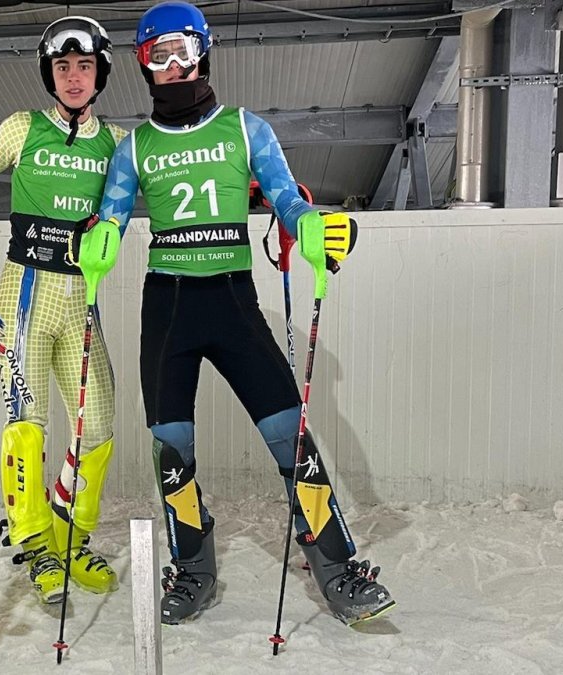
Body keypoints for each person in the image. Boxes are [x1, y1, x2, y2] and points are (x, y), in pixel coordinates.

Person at [78, 1, 394, 626]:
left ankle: (337, 568)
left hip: (232, 300)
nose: (171, 66)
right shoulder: (133, 147)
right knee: (172, 450)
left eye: (181, 51)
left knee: (289, 437)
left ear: (203, 52)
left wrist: (311, 226)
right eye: (156, 55)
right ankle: (194, 569)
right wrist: (99, 239)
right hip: (167, 307)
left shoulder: (245, 129)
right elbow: (110, 214)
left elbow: (284, 195)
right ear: (143, 65)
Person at [0, 16, 124, 604]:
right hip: (23, 297)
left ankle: (69, 533)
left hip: (78, 302)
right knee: (26, 426)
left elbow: (155, 195)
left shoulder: (113, 144)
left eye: (84, 66)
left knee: (101, 425)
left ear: (100, 72)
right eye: (63, 67)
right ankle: (33, 543)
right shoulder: (22, 128)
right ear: (50, 73)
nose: (73, 77)